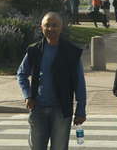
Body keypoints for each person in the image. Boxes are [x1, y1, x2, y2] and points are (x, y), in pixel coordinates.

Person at [17, 12, 87, 150]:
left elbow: (79, 82)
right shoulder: (34, 50)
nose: (51, 29)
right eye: (47, 25)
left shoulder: (71, 52)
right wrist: (28, 95)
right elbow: (21, 74)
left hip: (61, 109)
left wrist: (81, 109)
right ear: (41, 27)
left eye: (55, 25)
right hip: (37, 108)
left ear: (61, 27)